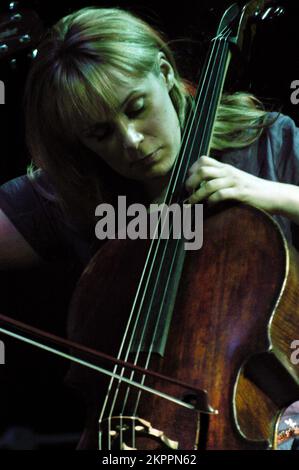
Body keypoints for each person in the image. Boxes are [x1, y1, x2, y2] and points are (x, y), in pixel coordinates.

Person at [0, 5, 298, 449]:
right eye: (101, 134)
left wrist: (270, 193)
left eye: (137, 108)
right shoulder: (78, 193)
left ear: (164, 72)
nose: (131, 141)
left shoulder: (267, 142)